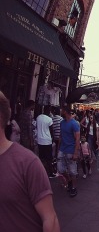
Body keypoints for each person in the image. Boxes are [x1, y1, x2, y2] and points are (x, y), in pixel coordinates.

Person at [0, 90, 60, 231]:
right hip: (44, 141)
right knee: (47, 158)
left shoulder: (27, 163)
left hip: (38, 141)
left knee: (45, 159)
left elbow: (50, 219)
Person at [57, 106, 80, 197]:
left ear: (65, 112)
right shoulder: (62, 122)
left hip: (70, 149)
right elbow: (61, 136)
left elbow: (77, 139)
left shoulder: (74, 124)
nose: (61, 111)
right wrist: (58, 148)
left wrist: (75, 153)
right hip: (62, 149)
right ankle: (69, 180)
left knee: (72, 171)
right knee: (60, 169)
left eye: (62, 110)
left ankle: (73, 187)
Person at [37, 105, 56, 178]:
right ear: (49, 111)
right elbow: (52, 130)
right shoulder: (49, 119)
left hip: (40, 140)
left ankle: (41, 172)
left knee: (42, 157)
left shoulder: (38, 117)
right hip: (47, 141)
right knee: (49, 158)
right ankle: (50, 173)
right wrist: (53, 138)